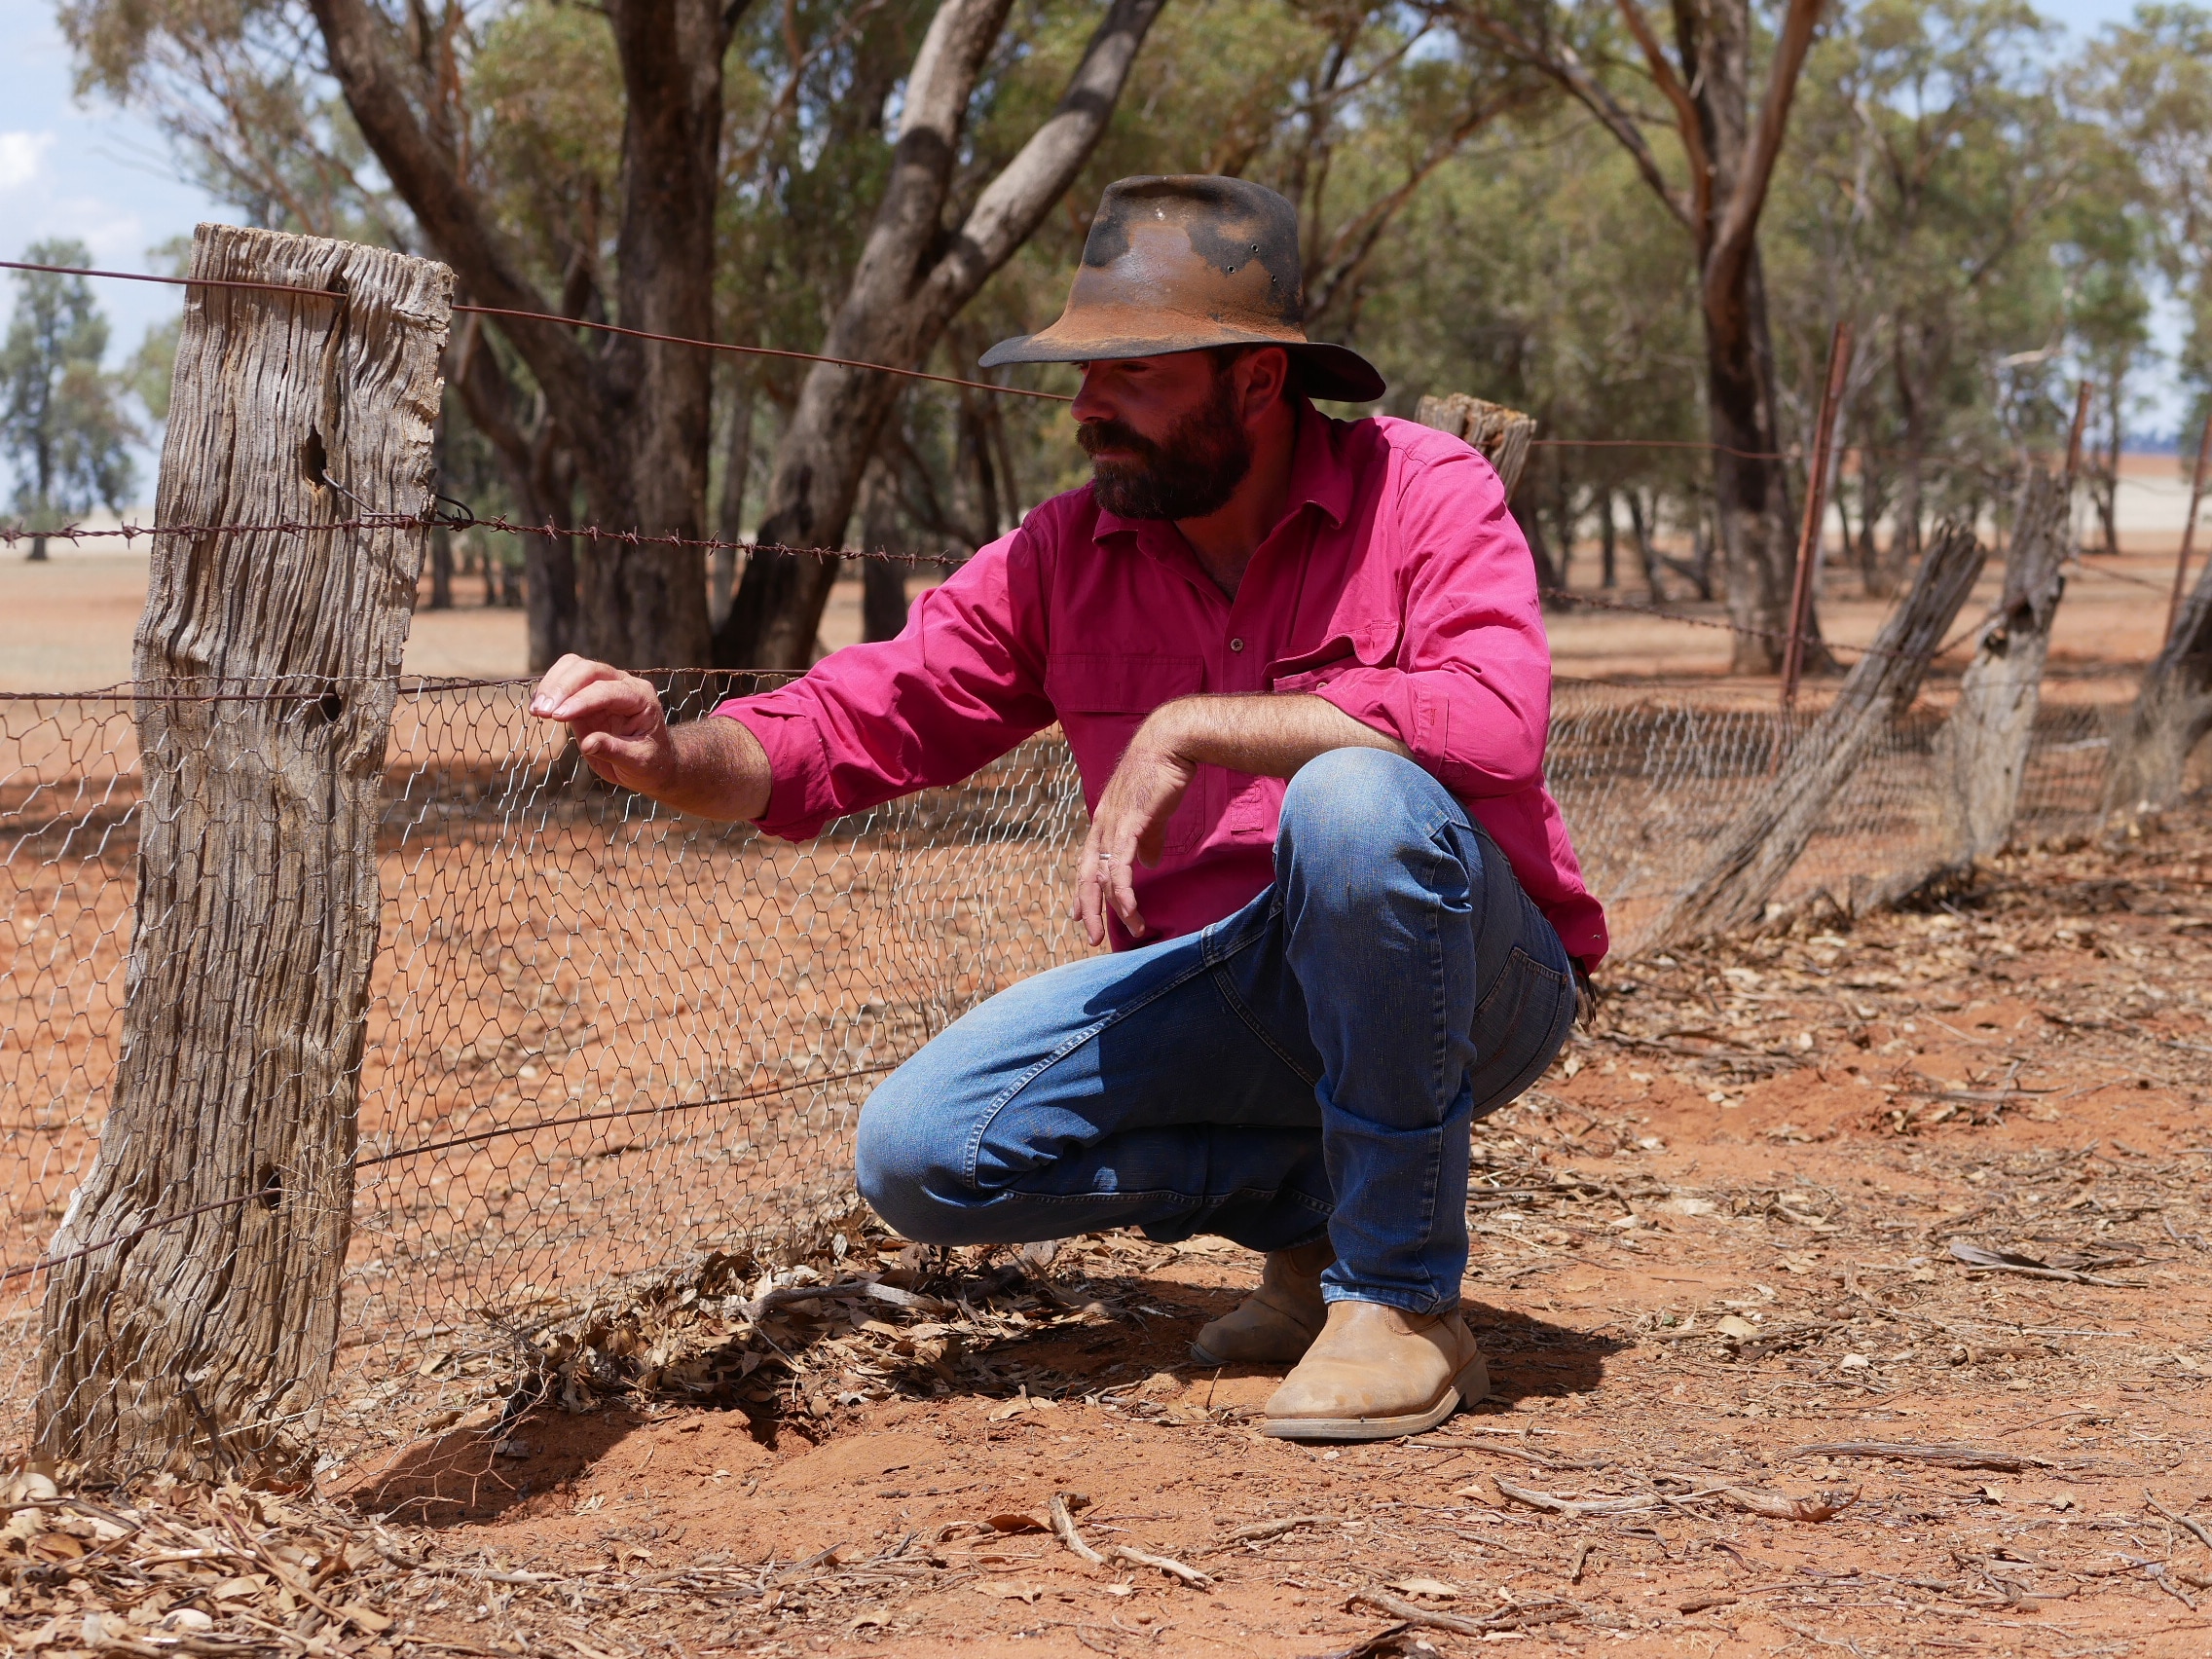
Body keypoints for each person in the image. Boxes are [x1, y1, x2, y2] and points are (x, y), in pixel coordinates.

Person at [530, 174, 1607, 1441]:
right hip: (1228, 989)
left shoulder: (1423, 490)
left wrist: (1197, 723)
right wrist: (671, 758)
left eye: (1132, 373)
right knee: (925, 1151)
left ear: (1258, 382)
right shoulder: (1061, 555)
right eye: (1080, 375)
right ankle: (1317, 1218)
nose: (1087, 410)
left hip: (1476, 982)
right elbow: (850, 721)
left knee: (1358, 801)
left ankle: (1399, 1299)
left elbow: (1494, 719)